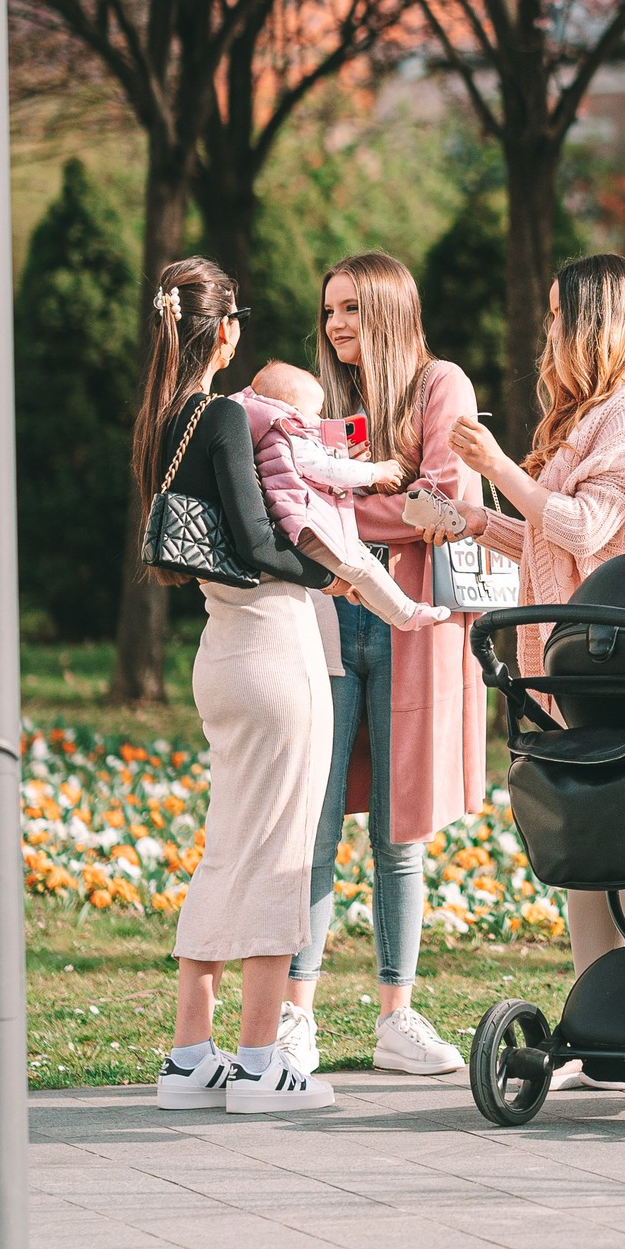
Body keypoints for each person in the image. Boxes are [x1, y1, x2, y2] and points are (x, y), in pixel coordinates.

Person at [425, 252, 625, 1080]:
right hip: (593, 660)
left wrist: (500, 470)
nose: (548, 332)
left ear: (594, 320)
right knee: (588, 837)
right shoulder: (603, 414)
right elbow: (556, 535)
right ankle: (599, 1028)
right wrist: (473, 520)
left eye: (556, 316)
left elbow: (581, 529)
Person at [135, 259, 341, 1113]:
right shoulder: (221, 414)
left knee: (229, 846)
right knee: (280, 854)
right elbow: (260, 544)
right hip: (271, 649)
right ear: (226, 332)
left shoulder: (159, 416)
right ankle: (260, 1064)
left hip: (220, 653)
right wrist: (335, 574)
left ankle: (191, 1058)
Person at [276, 252, 487, 1079]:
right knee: (314, 825)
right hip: (329, 624)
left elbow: (442, 506)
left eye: (353, 309)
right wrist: (378, 498)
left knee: (401, 833)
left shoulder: (442, 387)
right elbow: (291, 492)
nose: (336, 325)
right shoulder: (322, 399)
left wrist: (339, 502)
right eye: (329, 309)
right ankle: (298, 1016)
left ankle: (396, 1019)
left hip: (414, 630)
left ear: (391, 310)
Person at [235, 360, 450, 633]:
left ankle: (397, 612)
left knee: (362, 567)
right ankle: (406, 615)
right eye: (316, 412)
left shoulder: (273, 433)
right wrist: (375, 472)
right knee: (360, 568)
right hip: (307, 524)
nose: (320, 418)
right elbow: (327, 471)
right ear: (293, 412)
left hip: (303, 521)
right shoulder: (290, 437)